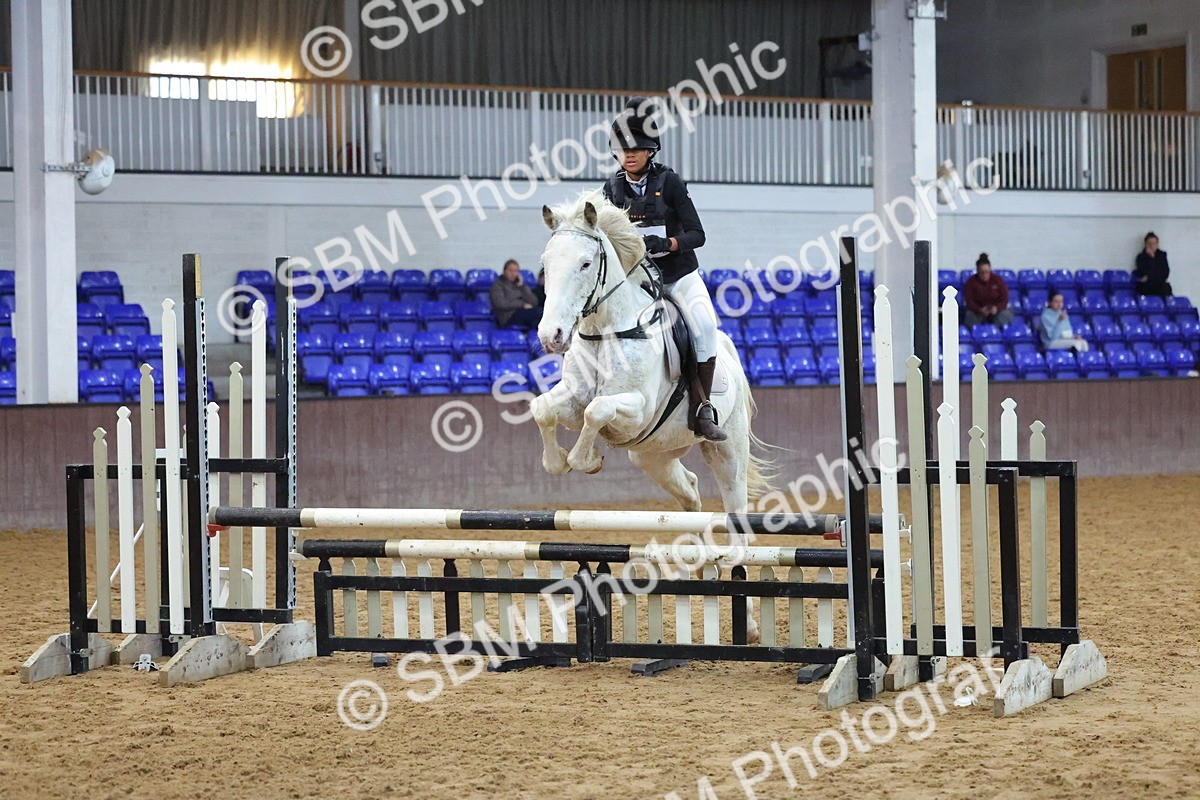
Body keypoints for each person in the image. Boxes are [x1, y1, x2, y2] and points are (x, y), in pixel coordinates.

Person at [602, 96, 725, 442]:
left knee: (704, 327)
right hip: (637, 283)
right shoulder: (611, 190)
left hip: (679, 276)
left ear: (651, 150)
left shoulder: (670, 183)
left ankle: (702, 408)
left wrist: (668, 243)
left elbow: (697, 234)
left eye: (637, 149)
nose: (629, 155)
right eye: (622, 149)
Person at [962, 253, 1014, 327]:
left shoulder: (998, 281)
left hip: (996, 311)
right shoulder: (971, 282)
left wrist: (997, 308)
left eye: (986, 272)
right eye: (982, 273)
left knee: (1006, 315)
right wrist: (980, 309)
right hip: (978, 312)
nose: (984, 275)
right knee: (969, 316)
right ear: (977, 271)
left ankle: (996, 334)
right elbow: (969, 301)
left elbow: (1004, 299)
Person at [490, 259, 542, 329]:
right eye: (511, 270)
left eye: (516, 271)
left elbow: (534, 301)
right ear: (504, 271)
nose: (513, 273)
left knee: (541, 315)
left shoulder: (520, 285)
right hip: (509, 316)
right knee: (537, 313)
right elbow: (500, 304)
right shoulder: (498, 285)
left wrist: (522, 287)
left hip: (524, 313)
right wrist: (522, 305)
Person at [1134, 232, 1172, 297]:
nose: (1151, 246)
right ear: (1145, 245)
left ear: (1157, 245)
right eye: (1149, 244)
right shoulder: (1141, 257)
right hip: (1147, 286)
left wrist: (1149, 276)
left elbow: (1165, 273)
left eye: (1154, 244)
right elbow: (1142, 272)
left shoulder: (1162, 256)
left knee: (1166, 288)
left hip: (1159, 284)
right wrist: (1151, 258)